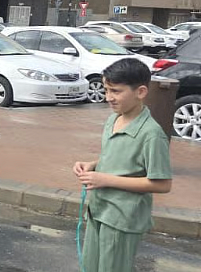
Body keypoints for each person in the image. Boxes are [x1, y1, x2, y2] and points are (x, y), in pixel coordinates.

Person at [73, 58, 172, 272]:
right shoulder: (114, 119)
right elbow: (119, 157)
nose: (109, 97)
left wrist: (105, 179)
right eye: (106, 90)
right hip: (98, 210)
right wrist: (93, 165)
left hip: (122, 219)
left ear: (141, 92)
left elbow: (162, 184)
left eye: (116, 91)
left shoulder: (152, 134)